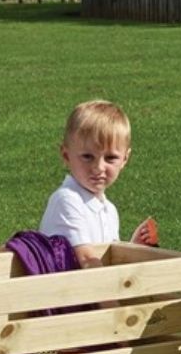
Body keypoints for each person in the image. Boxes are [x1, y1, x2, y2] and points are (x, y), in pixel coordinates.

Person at [40, 99, 156, 268]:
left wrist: (132, 248)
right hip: (65, 291)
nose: (98, 167)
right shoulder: (67, 200)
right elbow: (87, 260)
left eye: (110, 158)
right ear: (66, 156)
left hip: (89, 290)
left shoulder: (108, 209)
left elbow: (106, 258)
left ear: (125, 159)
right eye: (87, 157)